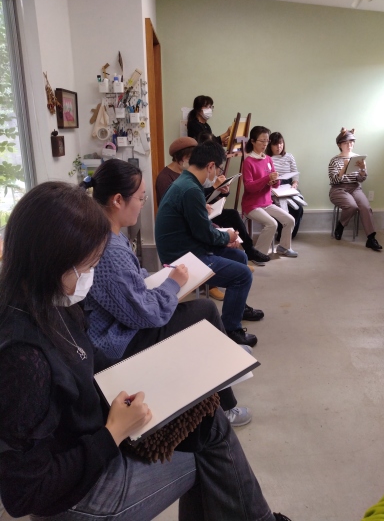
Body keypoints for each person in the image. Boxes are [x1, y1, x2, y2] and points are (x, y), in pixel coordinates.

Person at [0, 181, 292, 521]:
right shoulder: (24, 358)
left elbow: (83, 366)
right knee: (209, 446)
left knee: (205, 420)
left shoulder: (51, 301)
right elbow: (24, 495)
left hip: (93, 439)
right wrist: (113, 433)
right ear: (53, 263)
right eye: (89, 268)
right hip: (77, 495)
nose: (90, 278)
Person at [83, 160, 250, 426]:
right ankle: (227, 405)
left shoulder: (106, 233)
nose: (143, 204)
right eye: (141, 198)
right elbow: (148, 314)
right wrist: (171, 285)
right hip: (117, 341)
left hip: (122, 324)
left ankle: (224, 355)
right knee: (205, 310)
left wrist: (163, 280)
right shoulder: (110, 249)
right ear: (117, 200)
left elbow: (133, 278)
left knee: (198, 309)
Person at [155, 141, 265, 348]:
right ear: (211, 166)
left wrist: (223, 238)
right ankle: (231, 329)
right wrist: (227, 237)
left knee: (240, 257)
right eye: (218, 169)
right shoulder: (190, 190)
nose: (217, 175)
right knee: (243, 275)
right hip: (183, 258)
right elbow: (204, 233)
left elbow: (199, 227)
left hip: (187, 247)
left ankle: (238, 308)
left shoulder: (186, 183)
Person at [242, 126, 298, 259]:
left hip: (266, 203)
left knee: (290, 220)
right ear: (253, 141)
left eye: (267, 141)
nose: (265, 144)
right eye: (262, 141)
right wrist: (267, 178)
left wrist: (275, 180)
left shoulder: (268, 159)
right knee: (272, 224)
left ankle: (284, 247)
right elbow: (249, 187)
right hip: (252, 205)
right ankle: (258, 254)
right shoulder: (248, 162)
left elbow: (275, 184)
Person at [329, 127, 382, 251]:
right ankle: (341, 225)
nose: (349, 145)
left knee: (365, 207)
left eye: (351, 142)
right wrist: (344, 168)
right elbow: (334, 180)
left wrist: (363, 169)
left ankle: (371, 238)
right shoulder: (334, 161)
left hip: (355, 188)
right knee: (351, 206)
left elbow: (361, 179)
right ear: (339, 145)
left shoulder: (358, 158)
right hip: (338, 189)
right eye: (346, 143)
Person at [266, 132, 304, 240]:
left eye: (281, 143)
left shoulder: (289, 156)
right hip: (274, 187)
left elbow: (295, 173)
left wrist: (295, 183)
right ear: (270, 145)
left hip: (288, 186)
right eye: (275, 144)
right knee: (280, 208)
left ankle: (290, 234)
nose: (279, 146)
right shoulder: (267, 158)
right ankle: (281, 233)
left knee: (298, 207)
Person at [155, 136, 197, 206]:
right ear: (178, 157)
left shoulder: (186, 173)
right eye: (189, 158)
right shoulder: (165, 178)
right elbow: (171, 206)